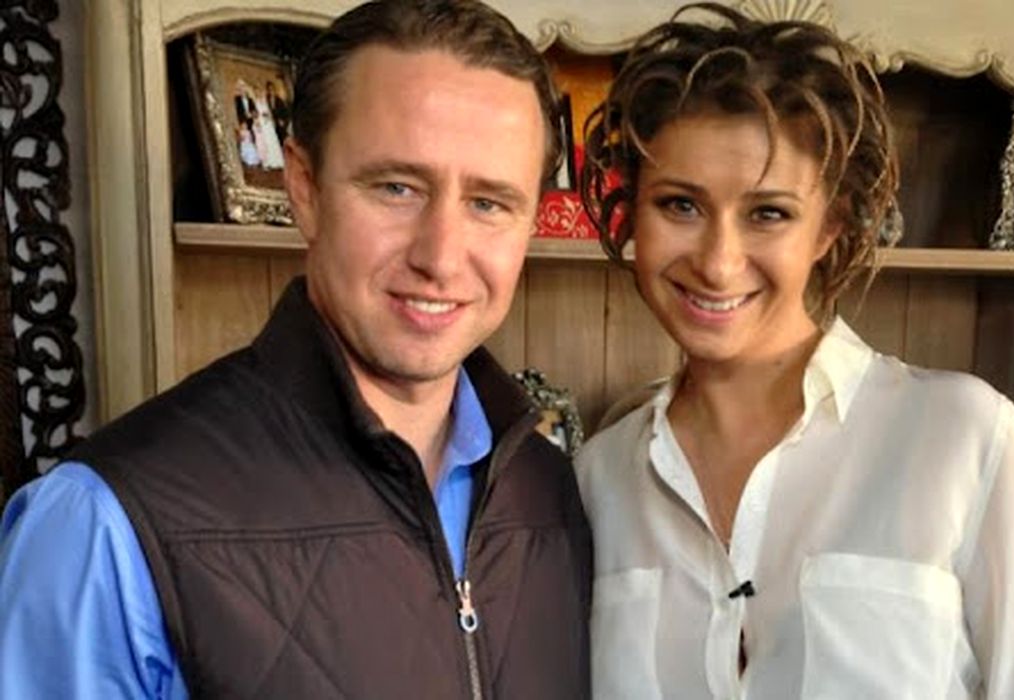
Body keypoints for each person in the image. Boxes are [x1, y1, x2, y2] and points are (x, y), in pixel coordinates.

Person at [0, 1, 592, 697]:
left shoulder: (549, 490)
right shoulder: (100, 524)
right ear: (303, 189)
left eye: (489, 203)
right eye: (397, 188)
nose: (440, 257)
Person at [575, 5, 1014, 699]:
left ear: (828, 228)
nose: (718, 262)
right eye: (679, 205)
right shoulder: (598, 481)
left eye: (768, 213)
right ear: (630, 211)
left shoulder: (964, 439)